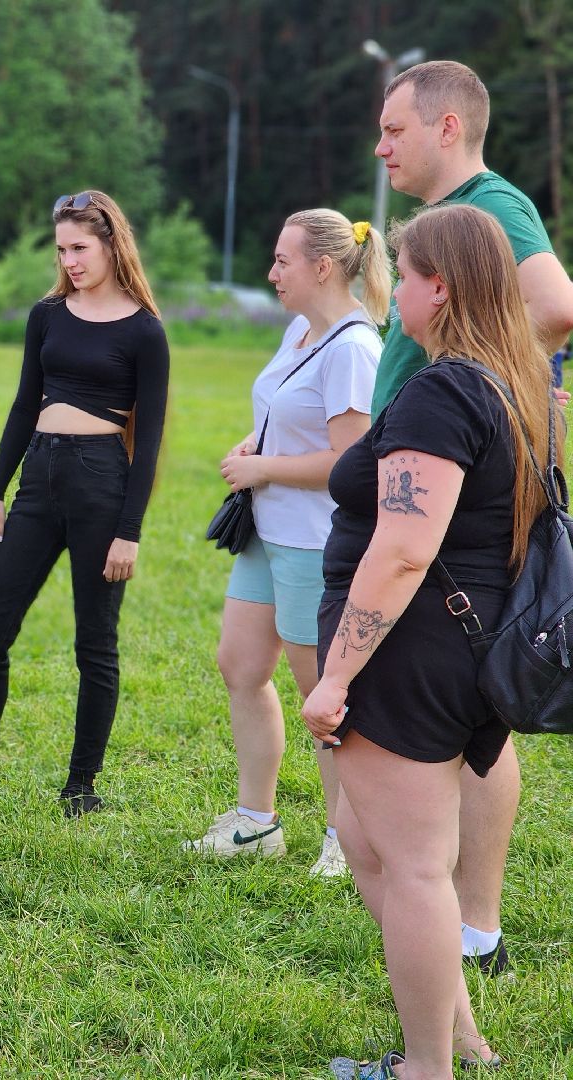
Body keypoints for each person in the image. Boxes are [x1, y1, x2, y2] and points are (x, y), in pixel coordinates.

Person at [304, 203, 547, 1078]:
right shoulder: (515, 383)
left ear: (438, 288)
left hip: (412, 653)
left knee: (410, 866)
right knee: (365, 837)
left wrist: (336, 676)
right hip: (467, 645)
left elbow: (405, 549)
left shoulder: (443, 393)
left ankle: (426, 1067)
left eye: (404, 277)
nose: (394, 292)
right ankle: (463, 1040)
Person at [369, 59, 573, 976]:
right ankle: (446, 907)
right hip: (424, 474)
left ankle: (474, 927)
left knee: (478, 698)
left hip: (454, 490)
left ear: (447, 127)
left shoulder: (494, 205)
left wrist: (481, 387)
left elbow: (555, 308)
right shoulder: (449, 220)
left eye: (395, 130)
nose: (382, 148)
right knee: (460, 698)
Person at [0, 190, 169, 816]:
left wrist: (129, 530)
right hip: (38, 480)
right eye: (61, 250)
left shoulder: (145, 331)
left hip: (101, 486)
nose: (69, 261)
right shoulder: (47, 315)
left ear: (112, 244)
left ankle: (81, 783)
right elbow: (22, 405)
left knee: (95, 643)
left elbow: (148, 441)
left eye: (80, 248)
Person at [184, 211, 386, 875]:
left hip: (313, 543)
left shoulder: (354, 348)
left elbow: (350, 463)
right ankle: (256, 822)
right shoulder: (301, 330)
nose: (271, 273)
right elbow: (283, 411)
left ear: (322, 267)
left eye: (282, 261)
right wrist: (255, 444)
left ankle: (345, 840)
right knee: (240, 666)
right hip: (266, 532)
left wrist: (265, 468)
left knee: (321, 699)